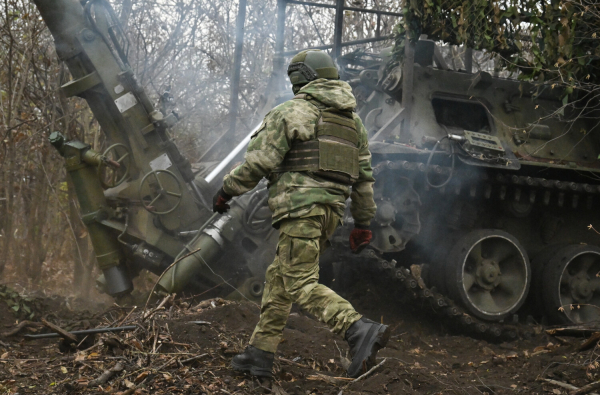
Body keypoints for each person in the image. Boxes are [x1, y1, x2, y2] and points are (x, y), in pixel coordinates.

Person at [212, 49, 389, 379]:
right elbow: (364, 180)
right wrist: (363, 223)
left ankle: (356, 328)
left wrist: (226, 190)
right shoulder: (354, 125)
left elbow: (258, 163)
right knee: (280, 280)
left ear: (301, 79)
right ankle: (259, 354)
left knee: (300, 282)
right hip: (329, 215)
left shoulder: (293, 112)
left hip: (300, 209)